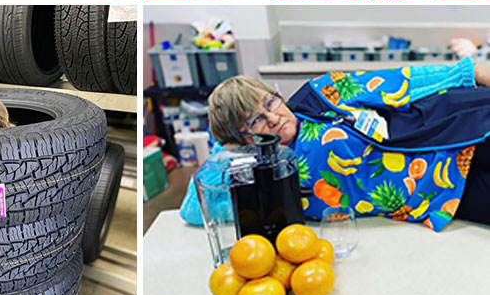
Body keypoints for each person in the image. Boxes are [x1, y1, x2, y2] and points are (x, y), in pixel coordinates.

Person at [180, 59, 490, 232]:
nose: (273, 118)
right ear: (241, 140)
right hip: (439, 192)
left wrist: (468, 72)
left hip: (451, 136)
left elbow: (398, 81)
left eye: (270, 103)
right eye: (255, 121)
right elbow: (194, 209)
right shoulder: (270, 174)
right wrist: (224, 143)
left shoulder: (318, 96)